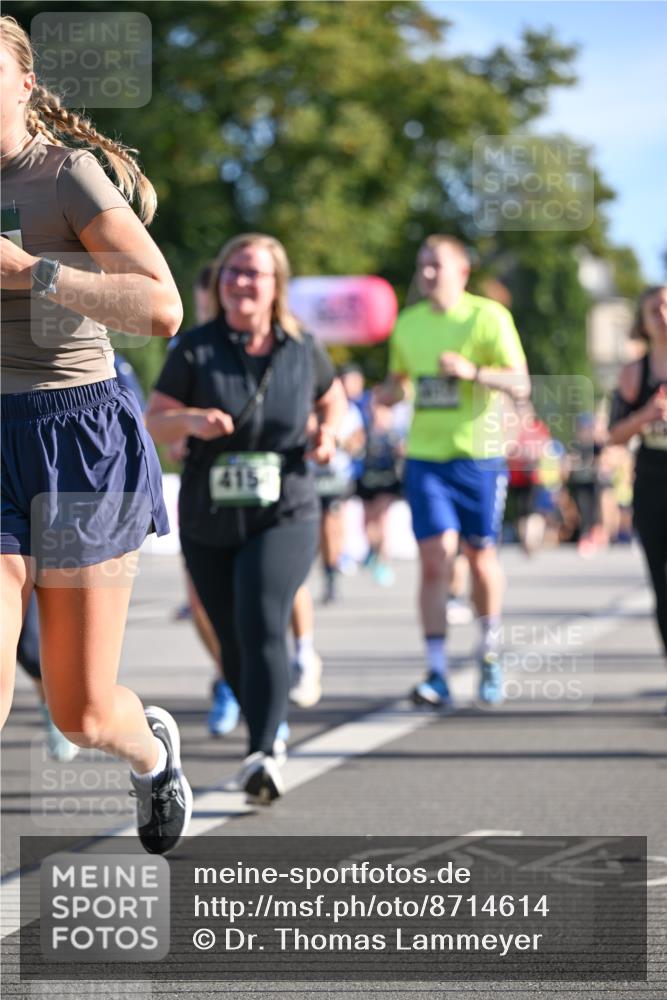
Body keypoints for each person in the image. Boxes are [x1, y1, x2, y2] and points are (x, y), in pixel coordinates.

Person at [0, 16, 192, 854]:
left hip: (79, 440)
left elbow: (161, 307)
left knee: (79, 712)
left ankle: (150, 750)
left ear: (23, 83)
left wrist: (30, 271)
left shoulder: (65, 175)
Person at [145, 233, 346, 803]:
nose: (239, 282)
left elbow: (333, 399)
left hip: (287, 505)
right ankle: (266, 720)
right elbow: (153, 420)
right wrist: (190, 420)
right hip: (210, 511)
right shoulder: (196, 348)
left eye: (252, 273)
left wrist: (330, 432)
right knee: (229, 634)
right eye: (232, 271)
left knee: (261, 614)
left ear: (275, 284)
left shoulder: (301, 348)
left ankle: (264, 748)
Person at [376, 235, 529, 708]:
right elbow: (400, 383)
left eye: (435, 265)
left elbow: (520, 381)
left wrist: (474, 373)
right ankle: (437, 672)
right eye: (421, 265)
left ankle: (488, 650)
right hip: (425, 457)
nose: (425, 274)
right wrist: (385, 397)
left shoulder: (488, 317)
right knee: (434, 558)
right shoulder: (408, 323)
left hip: (478, 456)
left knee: (480, 556)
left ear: (461, 272)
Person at [608, 285, 667, 673]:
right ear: (642, 322)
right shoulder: (635, 372)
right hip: (652, 482)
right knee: (663, 587)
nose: (662, 314)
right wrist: (645, 415)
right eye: (653, 309)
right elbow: (613, 433)